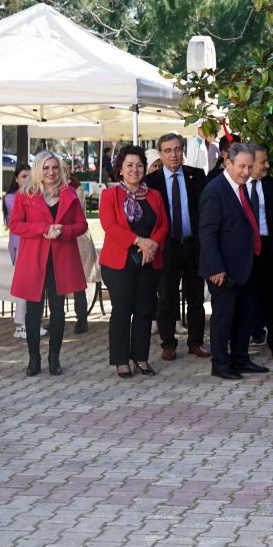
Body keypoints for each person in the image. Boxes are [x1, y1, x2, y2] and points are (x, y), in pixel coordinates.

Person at [9, 152, 88, 377]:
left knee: (58, 310)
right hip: (34, 259)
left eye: (54, 167)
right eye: (45, 168)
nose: (51, 172)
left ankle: (55, 358)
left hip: (61, 258)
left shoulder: (69, 193)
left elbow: (81, 225)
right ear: (38, 170)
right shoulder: (26, 195)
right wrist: (43, 230)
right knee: (33, 311)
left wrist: (64, 230)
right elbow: (15, 225)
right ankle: (34, 358)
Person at [199, 143, 270, 380]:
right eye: (241, 166)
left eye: (250, 166)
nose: (246, 171)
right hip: (223, 269)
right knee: (224, 317)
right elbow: (207, 233)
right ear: (227, 163)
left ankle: (240, 358)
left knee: (244, 315)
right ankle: (220, 363)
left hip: (245, 265)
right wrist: (215, 268)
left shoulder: (241, 188)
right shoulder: (215, 190)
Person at [99, 145, 167, 378]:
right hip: (119, 264)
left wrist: (153, 245)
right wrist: (140, 241)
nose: (135, 169)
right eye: (129, 165)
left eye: (139, 165)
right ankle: (121, 361)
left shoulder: (154, 195)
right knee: (122, 310)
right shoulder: (110, 195)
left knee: (144, 311)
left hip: (149, 261)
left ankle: (141, 358)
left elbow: (164, 225)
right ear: (120, 169)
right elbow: (110, 226)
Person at [144, 132, 208, 361]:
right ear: (161, 154)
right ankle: (168, 343)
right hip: (167, 247)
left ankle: (196, 342)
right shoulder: (151, 182)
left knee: (196, 297)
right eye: (168, 150)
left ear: (183, 151)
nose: (174, 154)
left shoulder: (197, 176)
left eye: (177, 149)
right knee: (166, 298)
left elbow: (205, 212)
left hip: (193, 246)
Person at [247, 145, 273, 360]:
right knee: (244, 298)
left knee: (270, 299)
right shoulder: (239, 186)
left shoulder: (272, 185)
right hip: (243, 250)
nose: (267, 165)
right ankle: (241, 345)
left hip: (266, 248)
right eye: (263, 162)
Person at [4, 163, 38, 340]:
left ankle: (30, 322)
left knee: (32, 284)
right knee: (23, 284)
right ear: (16, 179)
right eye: (24, 176)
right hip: (20, 245)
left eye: (30, 176)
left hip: (33, 245)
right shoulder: (11, 198)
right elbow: (26, 219)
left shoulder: (35, 195)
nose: (27, 180)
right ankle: (21, 323)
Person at [61, 158, 95, 335]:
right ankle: (56, 317)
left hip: (78, 239)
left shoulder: (77, 188)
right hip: (60, 240)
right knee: (58, 280)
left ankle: (81, 319)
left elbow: (76, 213)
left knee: (78, 281)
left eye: (65, 169)